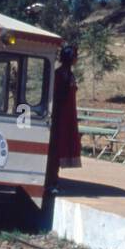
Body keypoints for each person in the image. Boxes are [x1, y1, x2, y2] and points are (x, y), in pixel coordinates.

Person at [45, 44, 82, 190]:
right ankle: (51, 180)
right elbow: (57, 96)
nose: (76, 59)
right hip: (59, 116)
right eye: (75, 57)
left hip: (67, 115)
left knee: (61, 147)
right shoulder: (60, 74)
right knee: (55, 148)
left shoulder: (69, 74)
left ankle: (54, 178)